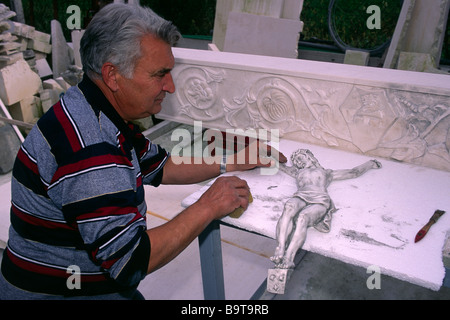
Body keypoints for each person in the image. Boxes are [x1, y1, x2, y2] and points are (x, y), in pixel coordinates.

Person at [0, 3, 286, 300]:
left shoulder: (93, 106)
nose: (171, 86)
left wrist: (232, 162)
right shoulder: (92, 150)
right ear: (113, 75)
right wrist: (208, 205)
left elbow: (159, 165)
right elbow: (131, 261)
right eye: (160, 74)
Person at [271, 149, 381, 269]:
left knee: (303, 218)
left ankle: (289, 257)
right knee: (288, 207)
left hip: (320, 199)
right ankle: (280, 247)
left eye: (299, 157)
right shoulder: (297, 172)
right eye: (295, 160)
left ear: (309, 156)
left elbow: (353, 172)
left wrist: (370, 164)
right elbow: (277, 164)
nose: (297, 161)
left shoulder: (327, 173)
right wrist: (262, 154)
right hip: (301, 196)